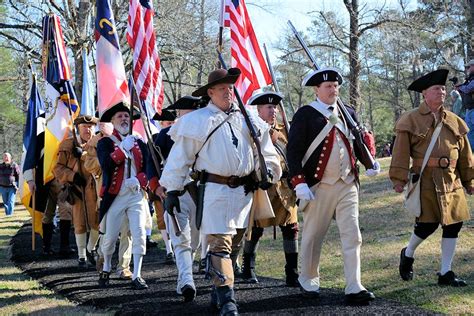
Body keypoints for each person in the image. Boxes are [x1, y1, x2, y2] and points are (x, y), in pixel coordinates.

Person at [159, 68, 281, 316]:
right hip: (214, 191)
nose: (228, 92)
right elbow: (180, 157)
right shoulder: (196, 121)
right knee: (219, 245)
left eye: (231, 88)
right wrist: (172, 189)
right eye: (223, 89)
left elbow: (267, 152)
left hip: (244, 192)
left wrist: (269, 171)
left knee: (234, 244)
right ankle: (228, 301)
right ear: (211, 92)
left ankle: (218, 293)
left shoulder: (249, 119)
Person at [287, 68, 379, 305]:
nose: (333, 89)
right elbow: (294, 151)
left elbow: (356, 141)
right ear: (316, 89)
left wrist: (369, 162)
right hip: (319, 185)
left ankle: (354, 285)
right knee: (313, 236)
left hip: (347, 183)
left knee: (353, 235)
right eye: (328, 86)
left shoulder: (347, 112)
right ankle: (308, 279)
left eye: (335, 86)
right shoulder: (306, 114)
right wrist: (299, 182)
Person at [390, 68, 473, 287]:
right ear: (425, 94)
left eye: (443, 89)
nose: (442, 92)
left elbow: (465, 155)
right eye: (437, 89)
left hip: (451, 181)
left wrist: (469, 181)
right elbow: (400, 153)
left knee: (454, 224)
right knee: (427, 226)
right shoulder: (410, 120)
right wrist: (398, 179)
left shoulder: (455, 121)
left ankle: (446, 272)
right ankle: (407, 254)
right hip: (426, 180)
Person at [239, 91, 299, 286]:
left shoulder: (285, 129)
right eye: (268, 107)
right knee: (255, 229)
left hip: (285, 189)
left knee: (291, 228)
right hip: (262, 188)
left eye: (274, 107)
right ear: (258, 110)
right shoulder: (251, 130)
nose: (273, 111)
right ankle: (249, 268)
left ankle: (292, 273)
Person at [149, 95, 202, 302]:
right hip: (175, 194)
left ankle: (183, 277)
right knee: (180, 240)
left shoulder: (205, 135)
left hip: (198, 195)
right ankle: (188, 280)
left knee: (195, 240)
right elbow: (151, 167)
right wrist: (157, 187)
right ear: (180, 114)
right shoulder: (163, 137)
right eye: (188, 113)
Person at [96, 102, 150, 290]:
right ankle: (106, 268)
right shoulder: (105, 142)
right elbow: (106, 165)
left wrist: (139, 179)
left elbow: (149, 169)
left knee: (139, 233)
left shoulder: (140, 142)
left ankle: (137, 274)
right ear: (112, 121)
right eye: (119, 116)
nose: (124, 119)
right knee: (110, 237)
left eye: (126, 116)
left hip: (135, 194)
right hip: (115, 195)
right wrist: (122, 150)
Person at [84, 121, 133, 280]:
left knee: (128, 230)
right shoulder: (95, 143)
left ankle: (124, 266)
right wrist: (108, 157)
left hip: (130, 191)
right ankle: (103, 257)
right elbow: (90, 165)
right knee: (107, 231)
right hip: (107, 192)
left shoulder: (132, 138)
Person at [53, 115, 100, 268]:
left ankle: (91, 248)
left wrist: (84, 155)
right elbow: (58, 168)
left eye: (91, 126)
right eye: (85, 126)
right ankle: (81, 256)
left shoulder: (99, 143)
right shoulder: (67, 145)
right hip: (77, 188)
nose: (88, 129)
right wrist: (72, 176)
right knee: (79, 223)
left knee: (98, 222)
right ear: (78, 128)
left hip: (96, 188)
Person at [456, 59, 474, 149]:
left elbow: (468, 89)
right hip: (469, 109)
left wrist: (460, 87)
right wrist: (460, 87)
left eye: (469, 67)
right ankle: (471, 149)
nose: (467, 69)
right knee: (469, 131)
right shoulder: (470, 79)